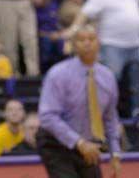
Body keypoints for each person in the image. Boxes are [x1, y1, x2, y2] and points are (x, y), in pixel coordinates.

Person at [37, 24, 121, 178]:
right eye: (81, 40)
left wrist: (114, 152)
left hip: (89, 143)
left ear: (99, 43)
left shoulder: (108, 77)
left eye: (91, 39)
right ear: (74, 45)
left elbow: (110, 118)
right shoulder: (58, 74)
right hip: (56, 142)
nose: (87, 43)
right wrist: (79, 143)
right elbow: (47, 117)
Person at [66, 0, 139, 117]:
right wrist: (73, 29)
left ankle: (136, 111)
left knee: (136, 83)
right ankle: (105, 111)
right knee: (109, 80)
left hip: (135, 45)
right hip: (112, 45)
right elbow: (85, 12)